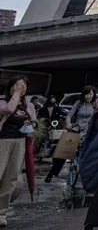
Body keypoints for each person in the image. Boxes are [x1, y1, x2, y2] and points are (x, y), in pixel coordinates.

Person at [0, 76, 36, 226]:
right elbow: (9, 109)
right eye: (18, 84)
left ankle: (1, 213)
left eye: (24, 85)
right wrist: (16, 94)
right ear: (11, 86)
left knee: (11, 178)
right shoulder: (2, 101)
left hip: (20, 142)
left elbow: (34, 122)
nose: (21, 87)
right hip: (3, 141)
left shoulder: (29, 105)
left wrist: (31, 124)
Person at [46, 85, 97, 182]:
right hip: (76, 129)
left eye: (90, 94)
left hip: (89, 131)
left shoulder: (96, 104)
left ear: (93, 94)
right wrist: (68, 124)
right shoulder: (79, 103)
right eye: (86, 94)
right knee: (64, 151)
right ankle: (52, 173)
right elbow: (69, 116)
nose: (88, 96)